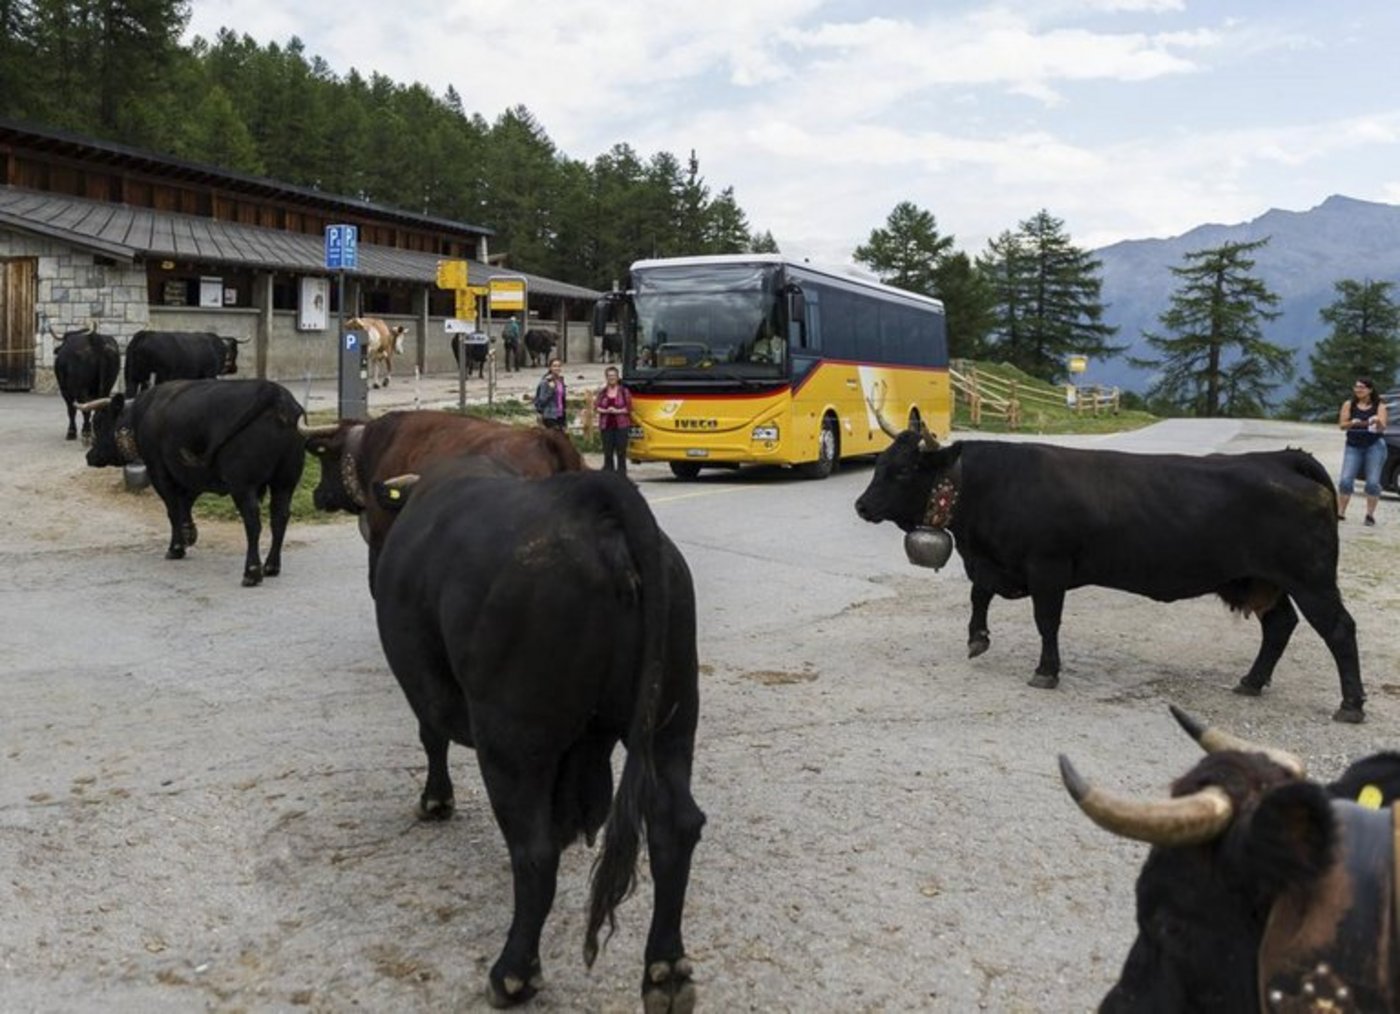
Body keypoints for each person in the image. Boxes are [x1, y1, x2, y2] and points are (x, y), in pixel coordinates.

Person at [1337, 376, 1388, 525]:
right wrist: (1352, 423)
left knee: (1372, 482)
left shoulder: (1380, 405)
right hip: (1353, 446)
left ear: (1370, 390)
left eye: (1362, 387)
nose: (1358, 390)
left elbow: (1383, 427)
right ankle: (1340, 512)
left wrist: (1377, 421)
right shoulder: (1349, 404)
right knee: (1346, 480)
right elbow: (1342, 425)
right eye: (1356, 387)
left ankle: (1369, 515)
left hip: (1374, 446)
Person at [594, 366, 633, 475]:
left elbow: (629, 408)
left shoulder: (624, 391)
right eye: (609, 376)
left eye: (614, 375)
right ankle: (608, 474)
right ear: (606, 377)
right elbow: (596, 407)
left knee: (621, 452)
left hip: (621, 425)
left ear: (617, 377)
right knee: (608, 452)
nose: (612, 378)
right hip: (606, 425)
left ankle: (621, 474)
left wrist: (617, 411)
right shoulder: (602, 392)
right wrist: (606, 410)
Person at [533, 357, 567, 431]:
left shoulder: (560, 381)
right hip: (550, 416)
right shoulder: (545, 382)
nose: (557, 368)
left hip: (560, 414)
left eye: (559, 366)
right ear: (550, 368)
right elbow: (542, 400)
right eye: (554, 366)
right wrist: (550, 390)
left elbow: (562, 398)